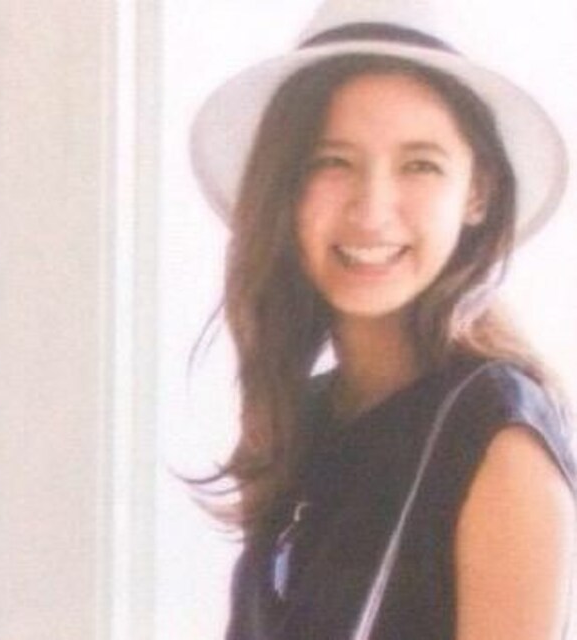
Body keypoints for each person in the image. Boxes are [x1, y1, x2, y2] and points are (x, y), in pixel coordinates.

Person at [189, 0, 576, 638]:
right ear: (286, 187)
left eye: (419, 165)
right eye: (332, 162)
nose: (371, 210)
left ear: (477, 191)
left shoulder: (496, 434)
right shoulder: (305, 417)